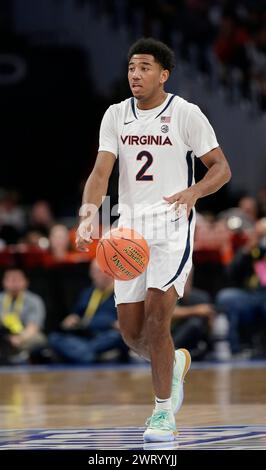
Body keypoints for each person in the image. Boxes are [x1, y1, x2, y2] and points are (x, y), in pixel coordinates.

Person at [76, 37, 231, 442]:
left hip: (172, 225)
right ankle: (174, 364)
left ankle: (163, 413)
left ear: (163, 74)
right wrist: (89, 214)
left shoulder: (185, 113)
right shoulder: (115, 115)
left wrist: (194, 191)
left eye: (144, 67)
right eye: (131, 67)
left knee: (158, 319)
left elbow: (221, 168)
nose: (135, 75)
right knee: (131, 333)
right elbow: (100, 172)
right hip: (128, 229)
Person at [48, 259, 127, 363]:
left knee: (117, 337)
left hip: (106, 334)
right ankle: (90, 354)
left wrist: (118, 324)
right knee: (54, 338)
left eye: (97, 272)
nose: (93, 276)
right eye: (92, 271)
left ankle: (81, 354)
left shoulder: (121, 293)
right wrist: (72, 319)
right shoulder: (88, 293)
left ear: (109, 272)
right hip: (86, 334)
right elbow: (77, 314)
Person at [0, 268, 47, 364]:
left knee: (38, 339)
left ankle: (20, 356)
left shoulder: (34, 300)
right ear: (3, 282)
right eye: (10, 280)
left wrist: (19, 338)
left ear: (26, 282)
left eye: (17, 280)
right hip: (4, 336)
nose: (14, 284)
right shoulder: (1, 299)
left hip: (25, 335)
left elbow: (33, 327)